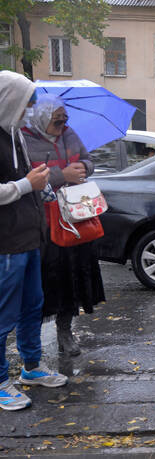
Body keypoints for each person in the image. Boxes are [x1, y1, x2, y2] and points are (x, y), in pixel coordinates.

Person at [0, 71, 68, 411]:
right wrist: (27, 185)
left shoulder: (16, 137)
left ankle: (31, 367)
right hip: (5, 245)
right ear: (10, 101)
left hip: (29, 237)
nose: (29, 110)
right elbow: (14, 186)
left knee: (32, 307)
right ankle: (0, 382)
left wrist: (44, 188)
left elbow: (26, 181)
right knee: (2, 315)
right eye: (25, 104)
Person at [22, 93, 105, 357]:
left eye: (64, 120)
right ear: (41, 118)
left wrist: (83, 167)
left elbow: (89, 161)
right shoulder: (24, 140)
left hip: (75, 217)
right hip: (43, 224)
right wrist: (61, 175)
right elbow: (24, 181)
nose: (62, 126)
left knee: (73, 277)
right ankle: (31, 344)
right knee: (45, 281)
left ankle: (64, 331)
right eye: (57, 121)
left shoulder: (69, 135)